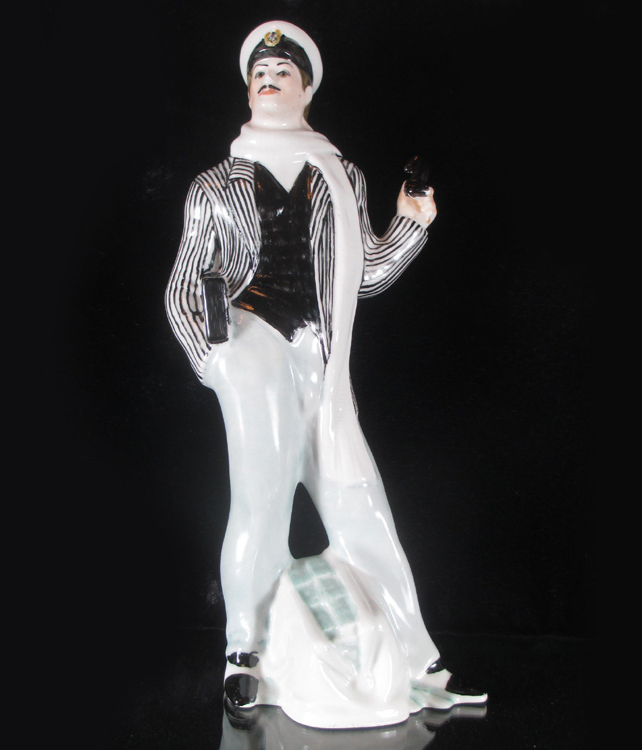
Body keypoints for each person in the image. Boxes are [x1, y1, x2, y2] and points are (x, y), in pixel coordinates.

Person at [165, 21, 485, 715]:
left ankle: (419, 658)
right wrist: (218, 361)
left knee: (361, 501)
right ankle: (244, 653)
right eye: (260, 72)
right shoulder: (215, 185)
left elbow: (365, 274)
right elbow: (184, 285)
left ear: (306, 88)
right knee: (260, 500)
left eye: (283, 71)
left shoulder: (342, 176)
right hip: (253, 346)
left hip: (323, 359)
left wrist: (412, 223)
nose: (269, 78)